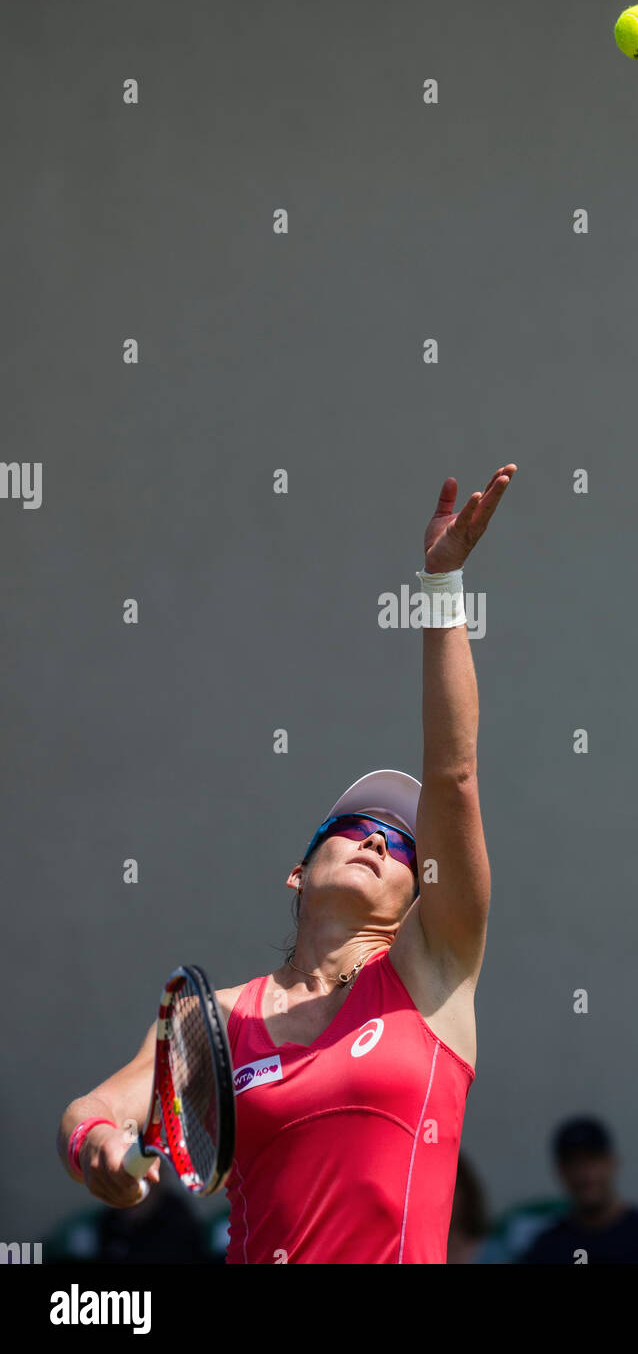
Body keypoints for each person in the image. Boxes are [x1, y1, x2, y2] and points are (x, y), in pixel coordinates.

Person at [56, 463, 517, 1264]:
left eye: (403, 845)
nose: (379, 842)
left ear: (419, 892)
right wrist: (96, 1144)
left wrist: (440, 586)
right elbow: (97, 1106)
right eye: (355, 827)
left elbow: (453, 774)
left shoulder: (433, 967)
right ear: (298, 873)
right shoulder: (214, 1020)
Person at [517, 1117, 638, 1264]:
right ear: (560, 1172)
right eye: (575, 1165)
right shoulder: (547, 1246)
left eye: (593, 1161)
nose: (586, 1175)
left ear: (612, 1163)